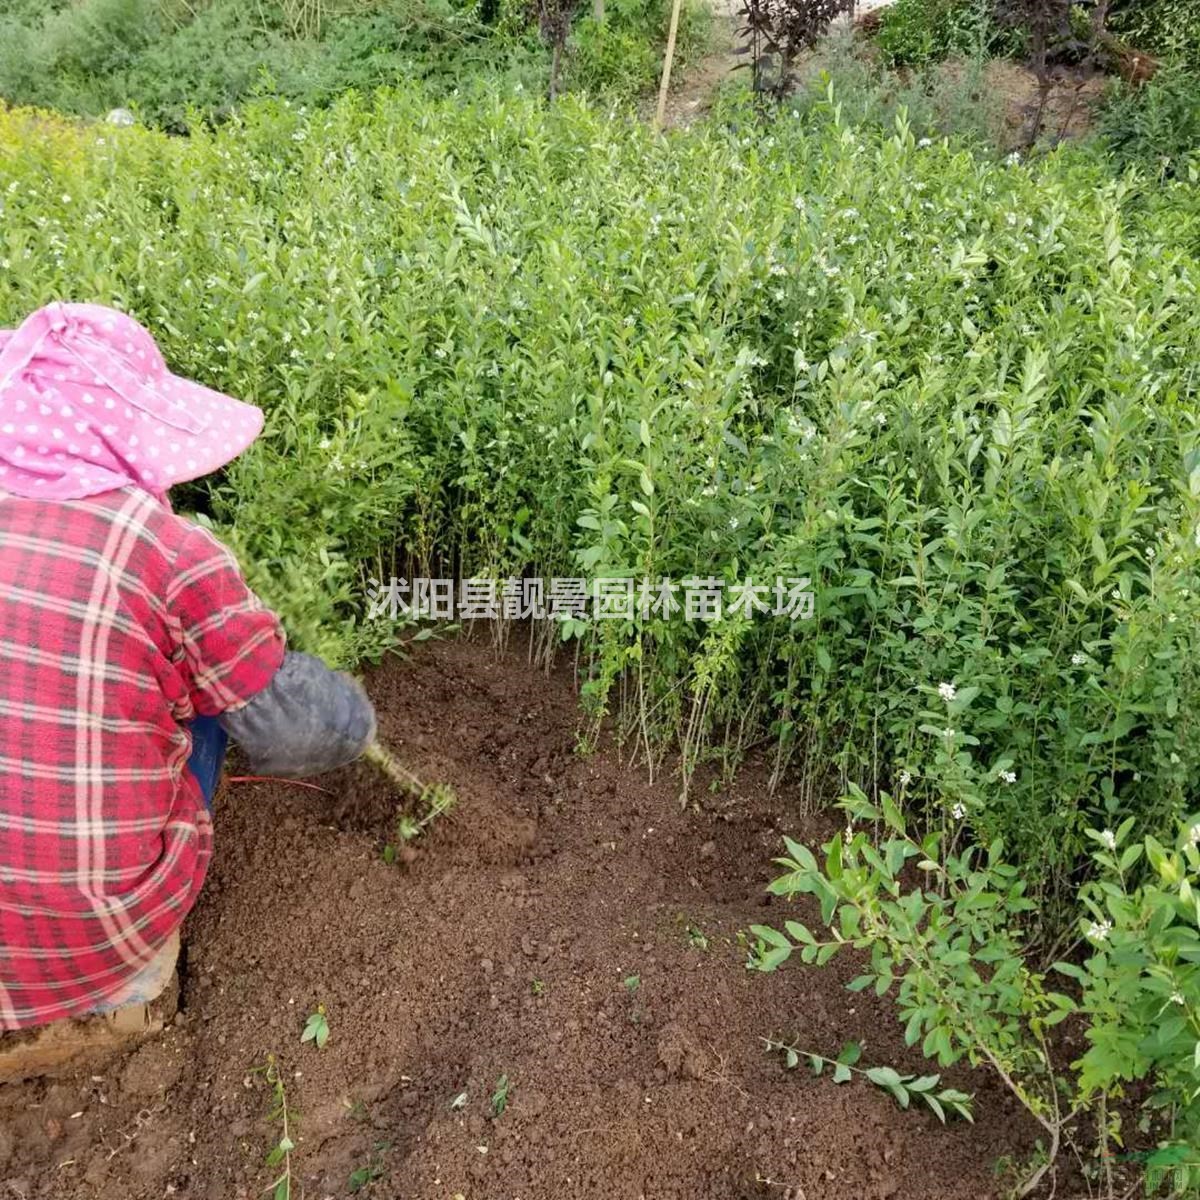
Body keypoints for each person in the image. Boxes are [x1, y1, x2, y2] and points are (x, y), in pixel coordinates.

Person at [0, 301, 376, 1031]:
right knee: (207, 700)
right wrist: (352, 721)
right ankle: (130, 980)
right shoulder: (168, 554)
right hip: (90, 941)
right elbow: (288, 731)